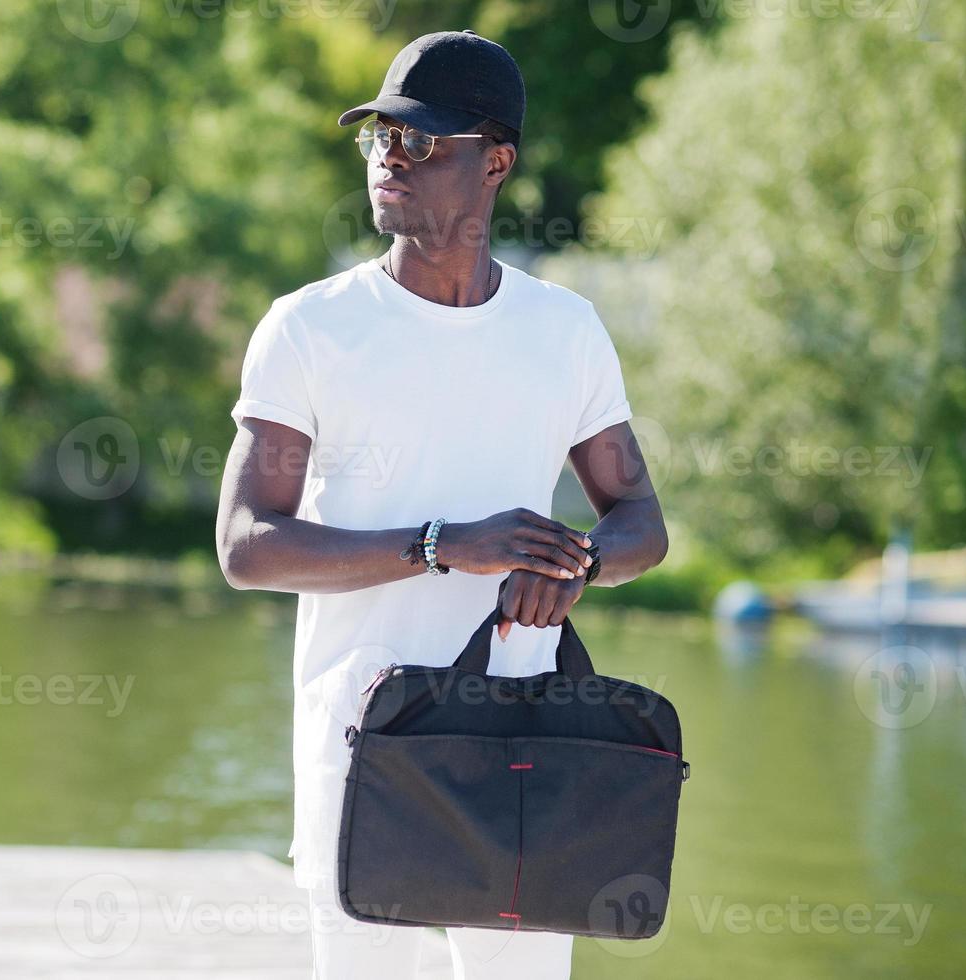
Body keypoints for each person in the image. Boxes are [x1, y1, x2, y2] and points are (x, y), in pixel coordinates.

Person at [215, 28, 668, 980]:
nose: (390, 157)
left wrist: (570, 567)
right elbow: (248, 545)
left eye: (420, 141)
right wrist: (436, 546)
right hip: (363, 724)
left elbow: (639, 523)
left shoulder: (564, 331)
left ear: (494, 162)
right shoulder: (310, 327)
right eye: (380, 135)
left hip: (522, 726)